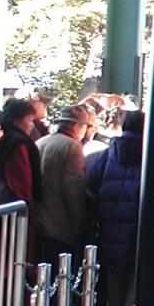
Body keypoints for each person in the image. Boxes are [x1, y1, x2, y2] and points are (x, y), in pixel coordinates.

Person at [85, 110, 144, 306]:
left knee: (115, 278)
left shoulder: (107, 153)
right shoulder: (151, 152)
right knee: (136, 278)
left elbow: (91, 183)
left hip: (110, 225)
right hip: (139, 225)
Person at [35, 105, 91, 270]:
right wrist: (80, 222)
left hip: (38, 222)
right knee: (60, 275)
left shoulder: (40, 142)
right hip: (60, 225)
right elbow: (73, 189)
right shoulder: (72, 147)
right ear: (77, 126)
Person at [0, 98, 43, 259]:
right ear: (17, 120)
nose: (32, 125)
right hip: (14, 216)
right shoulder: (18, 144)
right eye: (29, 120)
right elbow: (20, 181)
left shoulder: (7, 140)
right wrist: (27, 207)